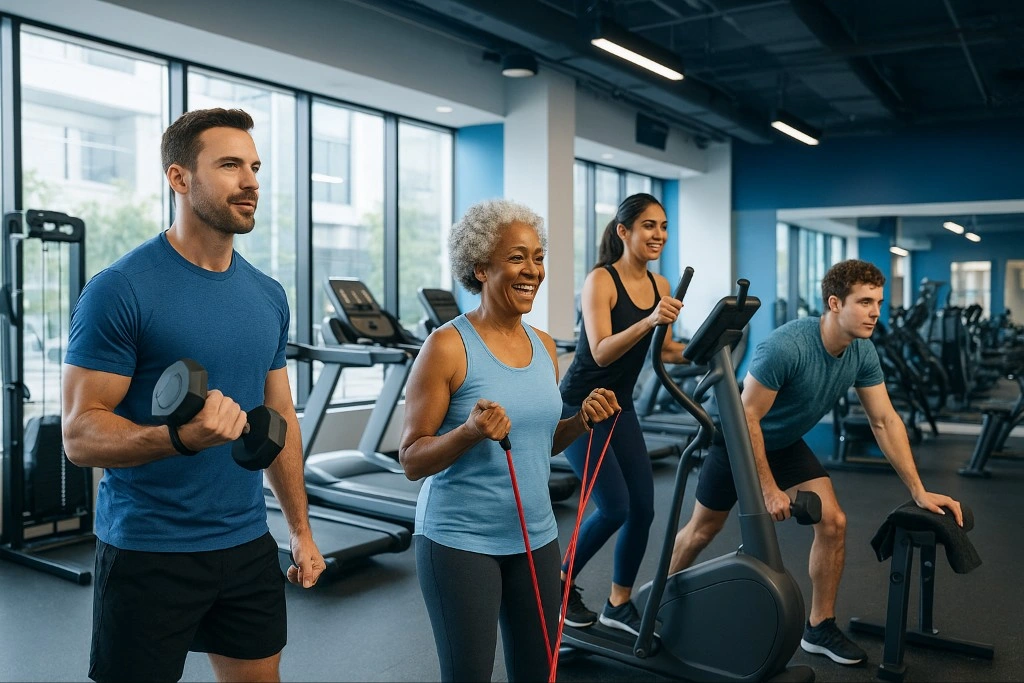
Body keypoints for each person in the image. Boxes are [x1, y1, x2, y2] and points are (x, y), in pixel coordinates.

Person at [62, 108, 325, 683]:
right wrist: (180, 438)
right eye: (230, 165)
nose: (251, 181)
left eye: (255, 166)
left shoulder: (268, 295)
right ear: (179, 178)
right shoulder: (120, 290)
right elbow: (81, 434)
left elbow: (278, 416)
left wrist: (299, 530)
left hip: (246, 540)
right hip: (149, 549)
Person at [669, 258, 963, 666]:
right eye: (864, 302)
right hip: (737, 439)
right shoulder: (786, 347)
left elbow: (884, 420)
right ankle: (657, 605)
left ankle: (819, 626)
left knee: (834, 522)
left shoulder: (862, 351)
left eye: (877, 302)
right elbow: (748, 417)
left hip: (786, 442)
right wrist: (769, 490)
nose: (875, 312)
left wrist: (918, 489)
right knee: (703, 530)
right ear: (834, 303)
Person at [399, 198, 620, 682]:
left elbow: (540, 443)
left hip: (536, 536)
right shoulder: (446, 346)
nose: (533, 271)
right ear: (480, 268)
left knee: (538, 672)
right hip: (460, 541)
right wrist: (470, 431)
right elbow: (412, 459)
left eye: (538, 257)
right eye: (517, 258)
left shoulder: (543, 346)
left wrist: (582, 420)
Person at [557, 193, 688, 635]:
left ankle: (618, 602)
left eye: (664, 226)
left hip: (620, 405)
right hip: (579, 406)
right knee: (614, 506)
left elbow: (667, 350)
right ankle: (558, 582)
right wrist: (650, 321)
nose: (659, 235)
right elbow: (602, 349)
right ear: (623, 231)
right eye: (649, 225)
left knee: (643, 509)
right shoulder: (601, 280)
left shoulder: (662, 285)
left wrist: (712, 348)